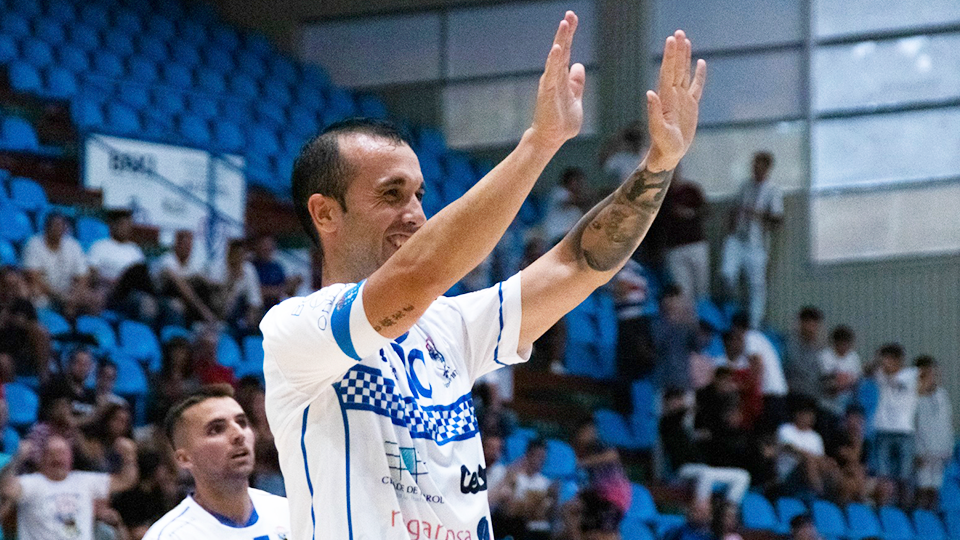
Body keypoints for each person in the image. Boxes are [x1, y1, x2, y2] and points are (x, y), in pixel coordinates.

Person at [261, 15, 705, 539]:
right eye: (390, 194)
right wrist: (539, 144)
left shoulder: (451, 325)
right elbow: (422, 271)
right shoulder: (295, 330)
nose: (414, 213)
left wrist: (659, 163)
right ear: (325, 213)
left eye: (419, 195)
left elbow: (577, 263)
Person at [142, 386, 290, 539]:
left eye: (242, 423)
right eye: (216, 429)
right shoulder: (170, 536)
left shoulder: (288, 513)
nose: (239, 434)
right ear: (184, 458)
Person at [0, 434, 138, 540]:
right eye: (52, 453)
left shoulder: (84, 480)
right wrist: (17, 459)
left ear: (71, 457)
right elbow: (6, 488)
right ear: (42, 458)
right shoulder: (32, 483)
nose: (57, 458)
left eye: (62, 452)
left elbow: (125, 481)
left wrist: (129, 456)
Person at [719, 151, 783, 328]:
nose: (756, 170)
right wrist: (730, 229)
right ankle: (729, 315)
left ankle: (755, 324)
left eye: (760, 166)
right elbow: (734, 208)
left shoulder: (773, 191)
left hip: (756, 243)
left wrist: (759, 215)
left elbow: (777, 220)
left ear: (767, 168)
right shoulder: (745, 186)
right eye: (754, 166)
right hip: (737, 239)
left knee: (756, 286)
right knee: (727, 274)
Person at [22, 212, 99, 316]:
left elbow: (83, 277)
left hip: (69, 293)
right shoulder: (33, 244)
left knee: (93, 298)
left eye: (63, 225)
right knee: (34, 294)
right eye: (56, 225)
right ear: (47, 227)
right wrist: (59, 297)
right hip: (45, 292)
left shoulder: (73, 245)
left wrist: (74, 296)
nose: (59, 229)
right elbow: (33, 277)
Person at [871, 343, 918, 505]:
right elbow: (866, 370)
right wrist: (878, 362)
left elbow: (928, 378)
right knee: (883, 475)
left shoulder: (911, 374)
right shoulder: (880, 374)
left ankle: (904, 509)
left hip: (904, 430)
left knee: (904, 475)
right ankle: (882, 507)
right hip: (883, 428)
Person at [660, 165, 709, 300]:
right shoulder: (662, 196)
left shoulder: (691, 190)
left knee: (702, 288)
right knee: (683, 291)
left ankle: (704, 318)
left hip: (695, 243)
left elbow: (706, 211)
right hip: (674, 248)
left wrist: (691, 213)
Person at [914, 355, 953, 510]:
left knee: (935, 491)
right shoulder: (914, 396)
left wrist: (948, 449)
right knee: (922, 489)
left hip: (940, 452)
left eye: (935, 373)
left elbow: (947, 424)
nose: (933, 377)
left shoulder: (943, 396)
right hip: (922, 452)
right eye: (928, 374)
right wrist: (916, 451)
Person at [156, 230, 217, 325]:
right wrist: (203, 310)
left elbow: (206, 281)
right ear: (177, 244)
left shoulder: (193, 264)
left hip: (187, 301)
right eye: (185, 245)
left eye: (190, 245)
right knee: (177, 305)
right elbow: (181, 286)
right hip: (163, 298)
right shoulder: (167, 260)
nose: (188, 249)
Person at [208, 238, 263, 332]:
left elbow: (255, 300)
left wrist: (250, 321)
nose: (237, 257)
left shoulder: (248, 269)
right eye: (235, 253)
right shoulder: (216, 268)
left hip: (239, 311)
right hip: (218, 308)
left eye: (241, 254)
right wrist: (233, 278)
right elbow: (215, 297)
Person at [776, 399, 827, 497]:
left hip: (810, 474)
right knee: (809, 460)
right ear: (798, 414)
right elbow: (789, 447)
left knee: (831, 465)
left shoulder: (816, 437)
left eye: (811, 415)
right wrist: (808, 456)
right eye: (806, 414)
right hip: (787, 475)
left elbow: (820, 460)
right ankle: (820, 494)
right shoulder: (786, 429)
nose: (809, 418)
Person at [818, 326, 861, 417]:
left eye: (847, 344)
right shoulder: (825, 355)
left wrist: (842, 382)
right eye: (841, 344)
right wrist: (844, 382)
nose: (844, 347)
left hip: (846, 405)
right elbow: (826, 382)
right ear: (835, 343)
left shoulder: (853, 357)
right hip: (826, 405)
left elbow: (856, 381)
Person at [784, 307, 824, 403]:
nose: (814, 330)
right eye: (811, 325)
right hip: (795, 398)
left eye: (816, 326)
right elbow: (798, 371)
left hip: (812, 399)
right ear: (802, 324)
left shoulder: (814, 349)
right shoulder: (790, 344)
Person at [542, 167, 588, 244]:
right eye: (577, 181)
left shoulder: (574, 198)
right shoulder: (559, 192)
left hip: (569, 236)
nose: (580, 184)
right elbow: (570, 203)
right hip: (556, 236)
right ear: (569, 180)